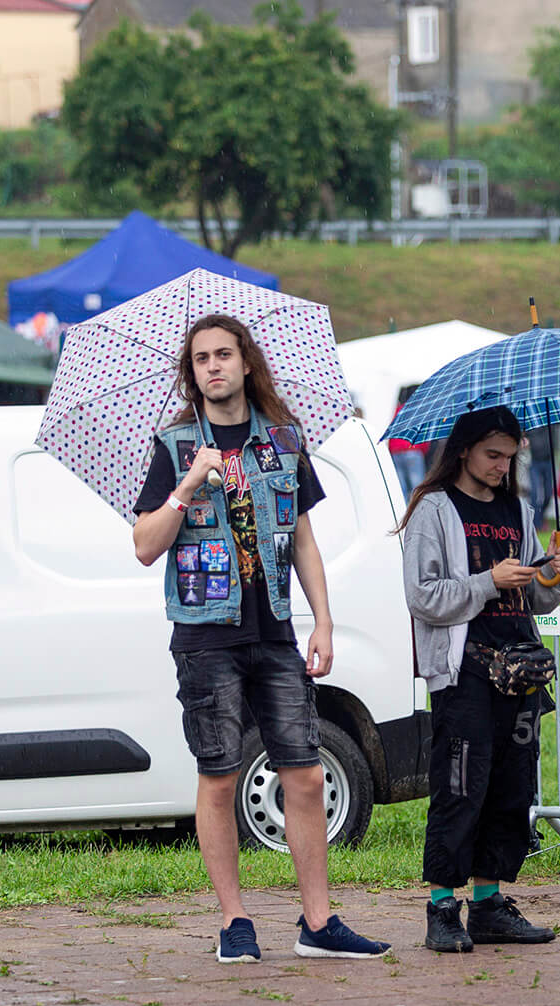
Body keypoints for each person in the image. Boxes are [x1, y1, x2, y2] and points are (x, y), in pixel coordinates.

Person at [133, 313, 391, 964]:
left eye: (223, 355)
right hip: (205, 634)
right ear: (192, 374)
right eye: (201, 359)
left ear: (246, 363)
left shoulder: (283, 441)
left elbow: (302, 538)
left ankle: (318, 923)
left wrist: (322, 621)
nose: (213, 367)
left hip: (274, 630)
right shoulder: (175, 448)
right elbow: (144, 546)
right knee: (219, 776)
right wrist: (188, 484)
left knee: (305, 774)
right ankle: (234, 921)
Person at [396, 406, 560, 953]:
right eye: (492, 455)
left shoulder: (518, 510)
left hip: (520, 670)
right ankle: (441, 908)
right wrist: (487, 581)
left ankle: (490, 905)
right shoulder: (433, 509)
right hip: (463, 672)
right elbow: (422, 596)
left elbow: (536, 598)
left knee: (510, 789)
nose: (502, 466)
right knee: (459, 789)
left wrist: (553, 574)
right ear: (464, 451)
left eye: (510, 457)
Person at [387, 392, 428, 499]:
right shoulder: (418, 410)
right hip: (413, 450)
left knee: (401, 487)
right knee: (417, 486)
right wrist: (423, 450)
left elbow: (392, 430)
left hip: (396, 451)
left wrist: (391, 449)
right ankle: (417, 506)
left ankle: (402, 508)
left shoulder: (399, 410)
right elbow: (423, 433)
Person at [525, 424, 557, 527]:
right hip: (534, 462)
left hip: (548, 461)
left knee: (548, 493)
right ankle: (536, 523)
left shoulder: (550, 423)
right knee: (535, 494)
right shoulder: (530, 425)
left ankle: (541, 516)